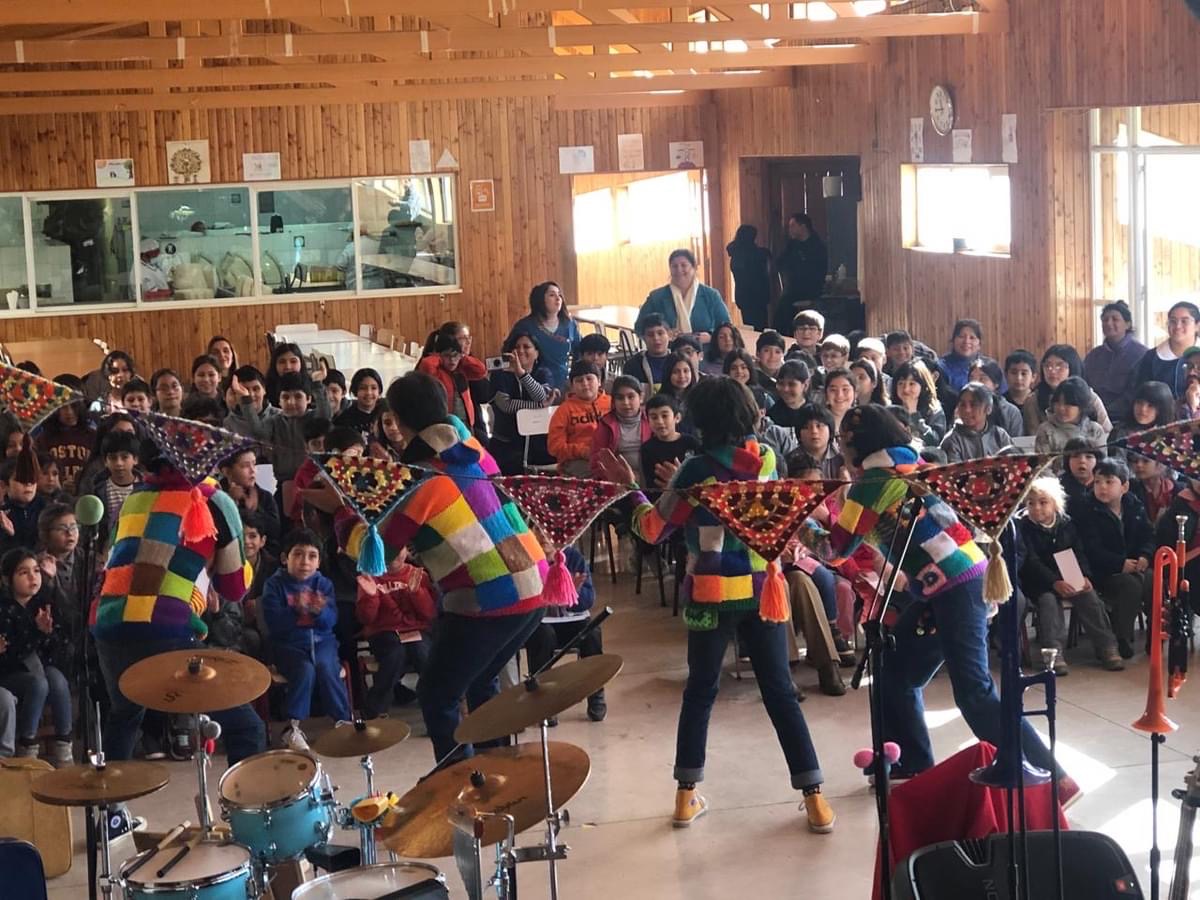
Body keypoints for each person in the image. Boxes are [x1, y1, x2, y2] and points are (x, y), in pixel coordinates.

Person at [595, 377, 835, 834]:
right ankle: (816, 799)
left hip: (711, 594)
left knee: (700, 692)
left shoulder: (695, 471)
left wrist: (631, 489)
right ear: (749, 415)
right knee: (781, 694)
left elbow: (651, 529)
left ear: (700, 422)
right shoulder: (767, 460)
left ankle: (686, 798)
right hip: (765, 589)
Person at [819, 403, 1063, 782]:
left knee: (975, 693)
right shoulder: (911, 466)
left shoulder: (874, 483)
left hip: (956, 588)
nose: (841, 453)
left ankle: (1054, 777)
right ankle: (911, 762)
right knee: (895, 671)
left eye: (842, 445)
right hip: (953, 584)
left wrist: (805, 526)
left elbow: (836, 549)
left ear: (856, 446)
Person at [336, 372, 549, 763]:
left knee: (437, 694)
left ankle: (460, 780)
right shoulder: (472, 449)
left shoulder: (421, 481)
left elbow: (379, 551)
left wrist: (344, 512)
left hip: (489, 596)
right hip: (534, 581)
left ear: (398, 422)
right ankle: (495, 771)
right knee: (481, 681)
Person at [91, 437, 266, 768]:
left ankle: (111, 814)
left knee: (126, 715)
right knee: (247, 727)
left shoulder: (136, 496)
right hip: (166, 624)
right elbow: (234, 587)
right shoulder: (215, 499)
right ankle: (246, 814)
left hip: (109, 620)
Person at [1018, 478, 1124, 674]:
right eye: (1031, 503)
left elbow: (1079, 552)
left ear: (1055, 503)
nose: (1036, 508)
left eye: (1043, 502)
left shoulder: (1067, 524)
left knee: (1090, 598)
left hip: (1068, 574)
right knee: (1049, 603)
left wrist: (1084, 576)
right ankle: (1053, 652)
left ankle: (1107, 647)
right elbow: (1031, 562)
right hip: (1039, 582)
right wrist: (1054, 582)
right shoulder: (1023, 528)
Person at [262, 528, 353, 749]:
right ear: (285, 558)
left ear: (319, 562)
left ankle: (343, 722)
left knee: (326, 667)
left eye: (312, 556)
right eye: (298, 554)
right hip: (289, 646)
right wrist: (297, 610)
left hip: (324, 643)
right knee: (304, 670)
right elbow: (274, 623)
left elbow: (330, 621)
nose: (305, 561)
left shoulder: (324, 585)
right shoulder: (274, 585)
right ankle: (292, 727)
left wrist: (318, 612)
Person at [1075, 458, 1154, 659]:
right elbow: (1090, 549)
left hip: (1134, 565)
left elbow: (1149, 535)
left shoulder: (1134, 505)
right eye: (1098, 482)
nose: (1102, 487)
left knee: (1154, 579)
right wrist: (1120, 563)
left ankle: (1156, 633)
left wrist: (1145, 555)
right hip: (1102, 571)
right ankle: (1122, 637)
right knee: (1131, 584)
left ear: (1124, 486)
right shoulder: (1086, 510)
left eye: (1109, 482)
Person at [523, 545, 607, 721]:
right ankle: (543, 702)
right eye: (539, 532)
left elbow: (588, 600)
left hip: (571, 621)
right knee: (542, 636)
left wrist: (574, 593)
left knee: (592, 633)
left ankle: (596, 693)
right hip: (543, 622)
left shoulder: (574, 557)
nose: (545, 539)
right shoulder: (530, 557)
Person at [356, 548, 435, 719]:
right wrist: (370, 596)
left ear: (407, 550)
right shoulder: (371, 577)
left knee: (423, 654)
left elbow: (429, 614)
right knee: (394, 654)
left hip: (416, 630)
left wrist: (417, 593)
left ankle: (437, 708)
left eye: (397, 548)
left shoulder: (417, 574)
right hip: (384, 631)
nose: (391, 554)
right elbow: (366, 618)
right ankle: (375, 711)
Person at [488, 331, 556, 475]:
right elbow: (506, 405)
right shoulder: (500, 374)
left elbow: (541, 396)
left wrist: (521, 373)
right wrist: (538, 406)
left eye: (526, 347)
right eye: (516, 347)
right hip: (505, 445)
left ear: (537, 353)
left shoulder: (544, 373)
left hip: (538, 446)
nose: (520, 350)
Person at [636, 249, 731, 344]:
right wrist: (661, 335)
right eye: (674, 266)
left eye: (684, 265)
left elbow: (727, 327)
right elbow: (639, 327)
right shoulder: (656, 297)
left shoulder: (711, 295)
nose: (679, 270)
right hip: (668, 355)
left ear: (694, 268)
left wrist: (711, 337)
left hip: (706, 354)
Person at [507, 282, 581, 392]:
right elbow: (508, 350)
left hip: (564, 383)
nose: (558, 298)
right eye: (552, 295)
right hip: (533, 384)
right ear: (540, 300)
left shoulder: (569, 324)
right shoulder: (525, 326)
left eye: (559, 295)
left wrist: (575, 376)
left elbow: (580, 350)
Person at [1083, 301, 1147, 424]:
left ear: (1127, 324)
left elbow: (1134, 394)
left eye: (1115, 319)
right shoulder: (1093, 355)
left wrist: (1105, 412)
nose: (1109, 323)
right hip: (1092, 417)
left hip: (1126, 419)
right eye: (1105, 320)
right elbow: (1084, 387)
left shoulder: (1141, 354)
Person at [548, 362, 610, 477]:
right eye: (579, 380)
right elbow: (555, 447)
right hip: (576, 461)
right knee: (602, 473)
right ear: (572, 386)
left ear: (599, 381)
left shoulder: (612, 404)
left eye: (589, 379)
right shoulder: (564, 410)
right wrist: (582, 451)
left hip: (611, 456)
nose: (585, 384)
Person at [417, 333, 488, 432]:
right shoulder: (436, 373)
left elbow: (481, 370)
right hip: (445, 424)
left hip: (466, 424)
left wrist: (463, 356)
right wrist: (438, 355)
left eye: (455, 355)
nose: (452, 360)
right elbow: (427, 365)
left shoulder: (461, 370)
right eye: (447, 356)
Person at [36, 375, 93, 495]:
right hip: (52, 497)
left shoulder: (92, 436)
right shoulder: (44, 438)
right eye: (63, 407)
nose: (69, 412)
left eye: (74, 406)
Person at [1034, 344, 1113, 433]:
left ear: (1072, 367)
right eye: (1047, 365)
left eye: (1059, 366)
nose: (1052, 370)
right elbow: (1032, 437)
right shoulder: (1034, 399)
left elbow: (1107, 434)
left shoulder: (1090, 397)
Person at [220, 447, 281, 556]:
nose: (252, 470)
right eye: (245, 466)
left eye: (254, 464)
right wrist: (231, 501)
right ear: (227, 471)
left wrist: (253, 511)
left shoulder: (264, 496)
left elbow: (275, 531)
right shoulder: (217, 496)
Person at [1132, 300, 1200, 398]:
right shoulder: (1151, 358)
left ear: (1197, 325)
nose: (1178, 326)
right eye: (1173, 321)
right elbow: (1142, 395)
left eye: (1184, 321)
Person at [773, 213, 828, 332]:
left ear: (803, 227)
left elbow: (818, 273)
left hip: (809, 290)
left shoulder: (817, 247)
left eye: (793, 226)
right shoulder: (792, 245)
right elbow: (780, 262)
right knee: (779, 316)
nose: (790, 230)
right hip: (792, 289)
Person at [591, 376, 650, 480]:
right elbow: (597, 461)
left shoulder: (652, 420)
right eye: (620, 398)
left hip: (649, 478)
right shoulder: (605, 424)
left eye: (631, 397)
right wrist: (621, 477)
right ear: (613, 401)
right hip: (617, 481)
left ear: (641, 397)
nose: (626, 403)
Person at [1034, 376, 1106, 459]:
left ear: (1081, 406)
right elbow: (1043, 467)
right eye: (1058, 402)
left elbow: (1101, 464)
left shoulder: (1095, 430)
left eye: (1068, 404)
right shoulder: (1046, 430)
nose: (1061, 408)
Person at [641, 394, 701, 494]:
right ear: (648, 420)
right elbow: (650, 484)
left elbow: (700, 476)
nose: (659, 422)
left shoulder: (691, 442)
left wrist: (679, 481)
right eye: (654, 417)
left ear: (677, 418)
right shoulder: (647, 448)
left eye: (664, 416)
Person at [940, 383, 1012, 463]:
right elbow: (955, 472)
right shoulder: (952, 440)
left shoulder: (1000, 435)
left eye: (974, 405)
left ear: (988, 409)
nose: (967, 410)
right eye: (963, 405)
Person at [888, 361, 946, 447]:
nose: (906, 389)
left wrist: (914, 415)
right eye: (901, 383)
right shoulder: (890, 409)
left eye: (912, 384)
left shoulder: (934, 410)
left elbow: (934, 442)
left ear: (923, 386)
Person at [726, 224, 771, 330]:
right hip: (758, 294)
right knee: (761, 326)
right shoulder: (757, 254)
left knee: (749, 324)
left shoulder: (735, 253)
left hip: (743, 294)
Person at [967, 357, 1023, 437]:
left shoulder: (1010, 412)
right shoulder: (963, 408)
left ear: (996, 384)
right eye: (971, 378)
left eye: (982, 379)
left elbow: (1016, 444)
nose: (975, 383)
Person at [622, 313, 675, 393]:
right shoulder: (632, 366)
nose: (656, 338)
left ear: (670, 335)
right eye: (650, 335)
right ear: (643, 338)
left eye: (660, 333)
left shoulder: (679, 361)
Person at [333, 367, 385, 440]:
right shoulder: (343, 421)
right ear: (355, 391)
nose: (369, 393)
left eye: (373, 388)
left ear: (379, 391)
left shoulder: (386, 414)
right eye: (363, 388)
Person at [794, 405, 844, 480]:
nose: (814, 431)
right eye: (806, 427)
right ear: (799, 434)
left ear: (830, 430)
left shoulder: (843, 460)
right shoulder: (790, 461)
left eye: (819, 426)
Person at [936, 318, 982, 393]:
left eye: (972, 337)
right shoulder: (941, 367)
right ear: (953, 341)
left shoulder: (989, 366)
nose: (966, 341)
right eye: (961, 336)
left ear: (979, 344)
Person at [1003, 350, 1041, 436]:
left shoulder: (1040, 401)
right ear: (1006, 375)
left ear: (1033, 377)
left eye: (1024, 373)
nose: (1019, 378)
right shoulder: (1001, 403)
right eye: (1013, 373)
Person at [766, 361, 812, 431]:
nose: (785, 389)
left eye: (791, 384)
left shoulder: (815, 414)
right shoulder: (772, 415)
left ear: (805, 385)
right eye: (781, 383)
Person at [1060, 438, 1101, 517]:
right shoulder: (1058, 487)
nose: (1082, 461)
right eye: (1075, 456)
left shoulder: (1105, 485)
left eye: (1088, 457)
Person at [822, 367, 857, 435]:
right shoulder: (818, 422)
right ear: (826, 394)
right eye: (833, 390)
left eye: (845, 389)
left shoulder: (864, 420)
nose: (839, 395)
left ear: (855, 393)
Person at [754, 331, 787, 399]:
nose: (772, 356)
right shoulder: (750, 375)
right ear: (758, 353)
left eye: (777, 352)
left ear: (783, 355)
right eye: (767, 351)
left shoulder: (790, 374)